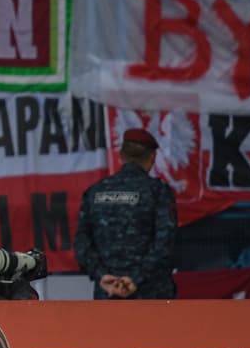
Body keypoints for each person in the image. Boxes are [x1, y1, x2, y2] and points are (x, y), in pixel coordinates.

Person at [75, 128, 177, 300]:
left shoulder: (95, 192)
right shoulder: (157, 191)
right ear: (152, 157)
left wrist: (102, 276)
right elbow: (165, 243)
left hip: (108, 292)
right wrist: (134, 279)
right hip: (151, 294)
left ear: (121, 156)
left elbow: (82, 243)